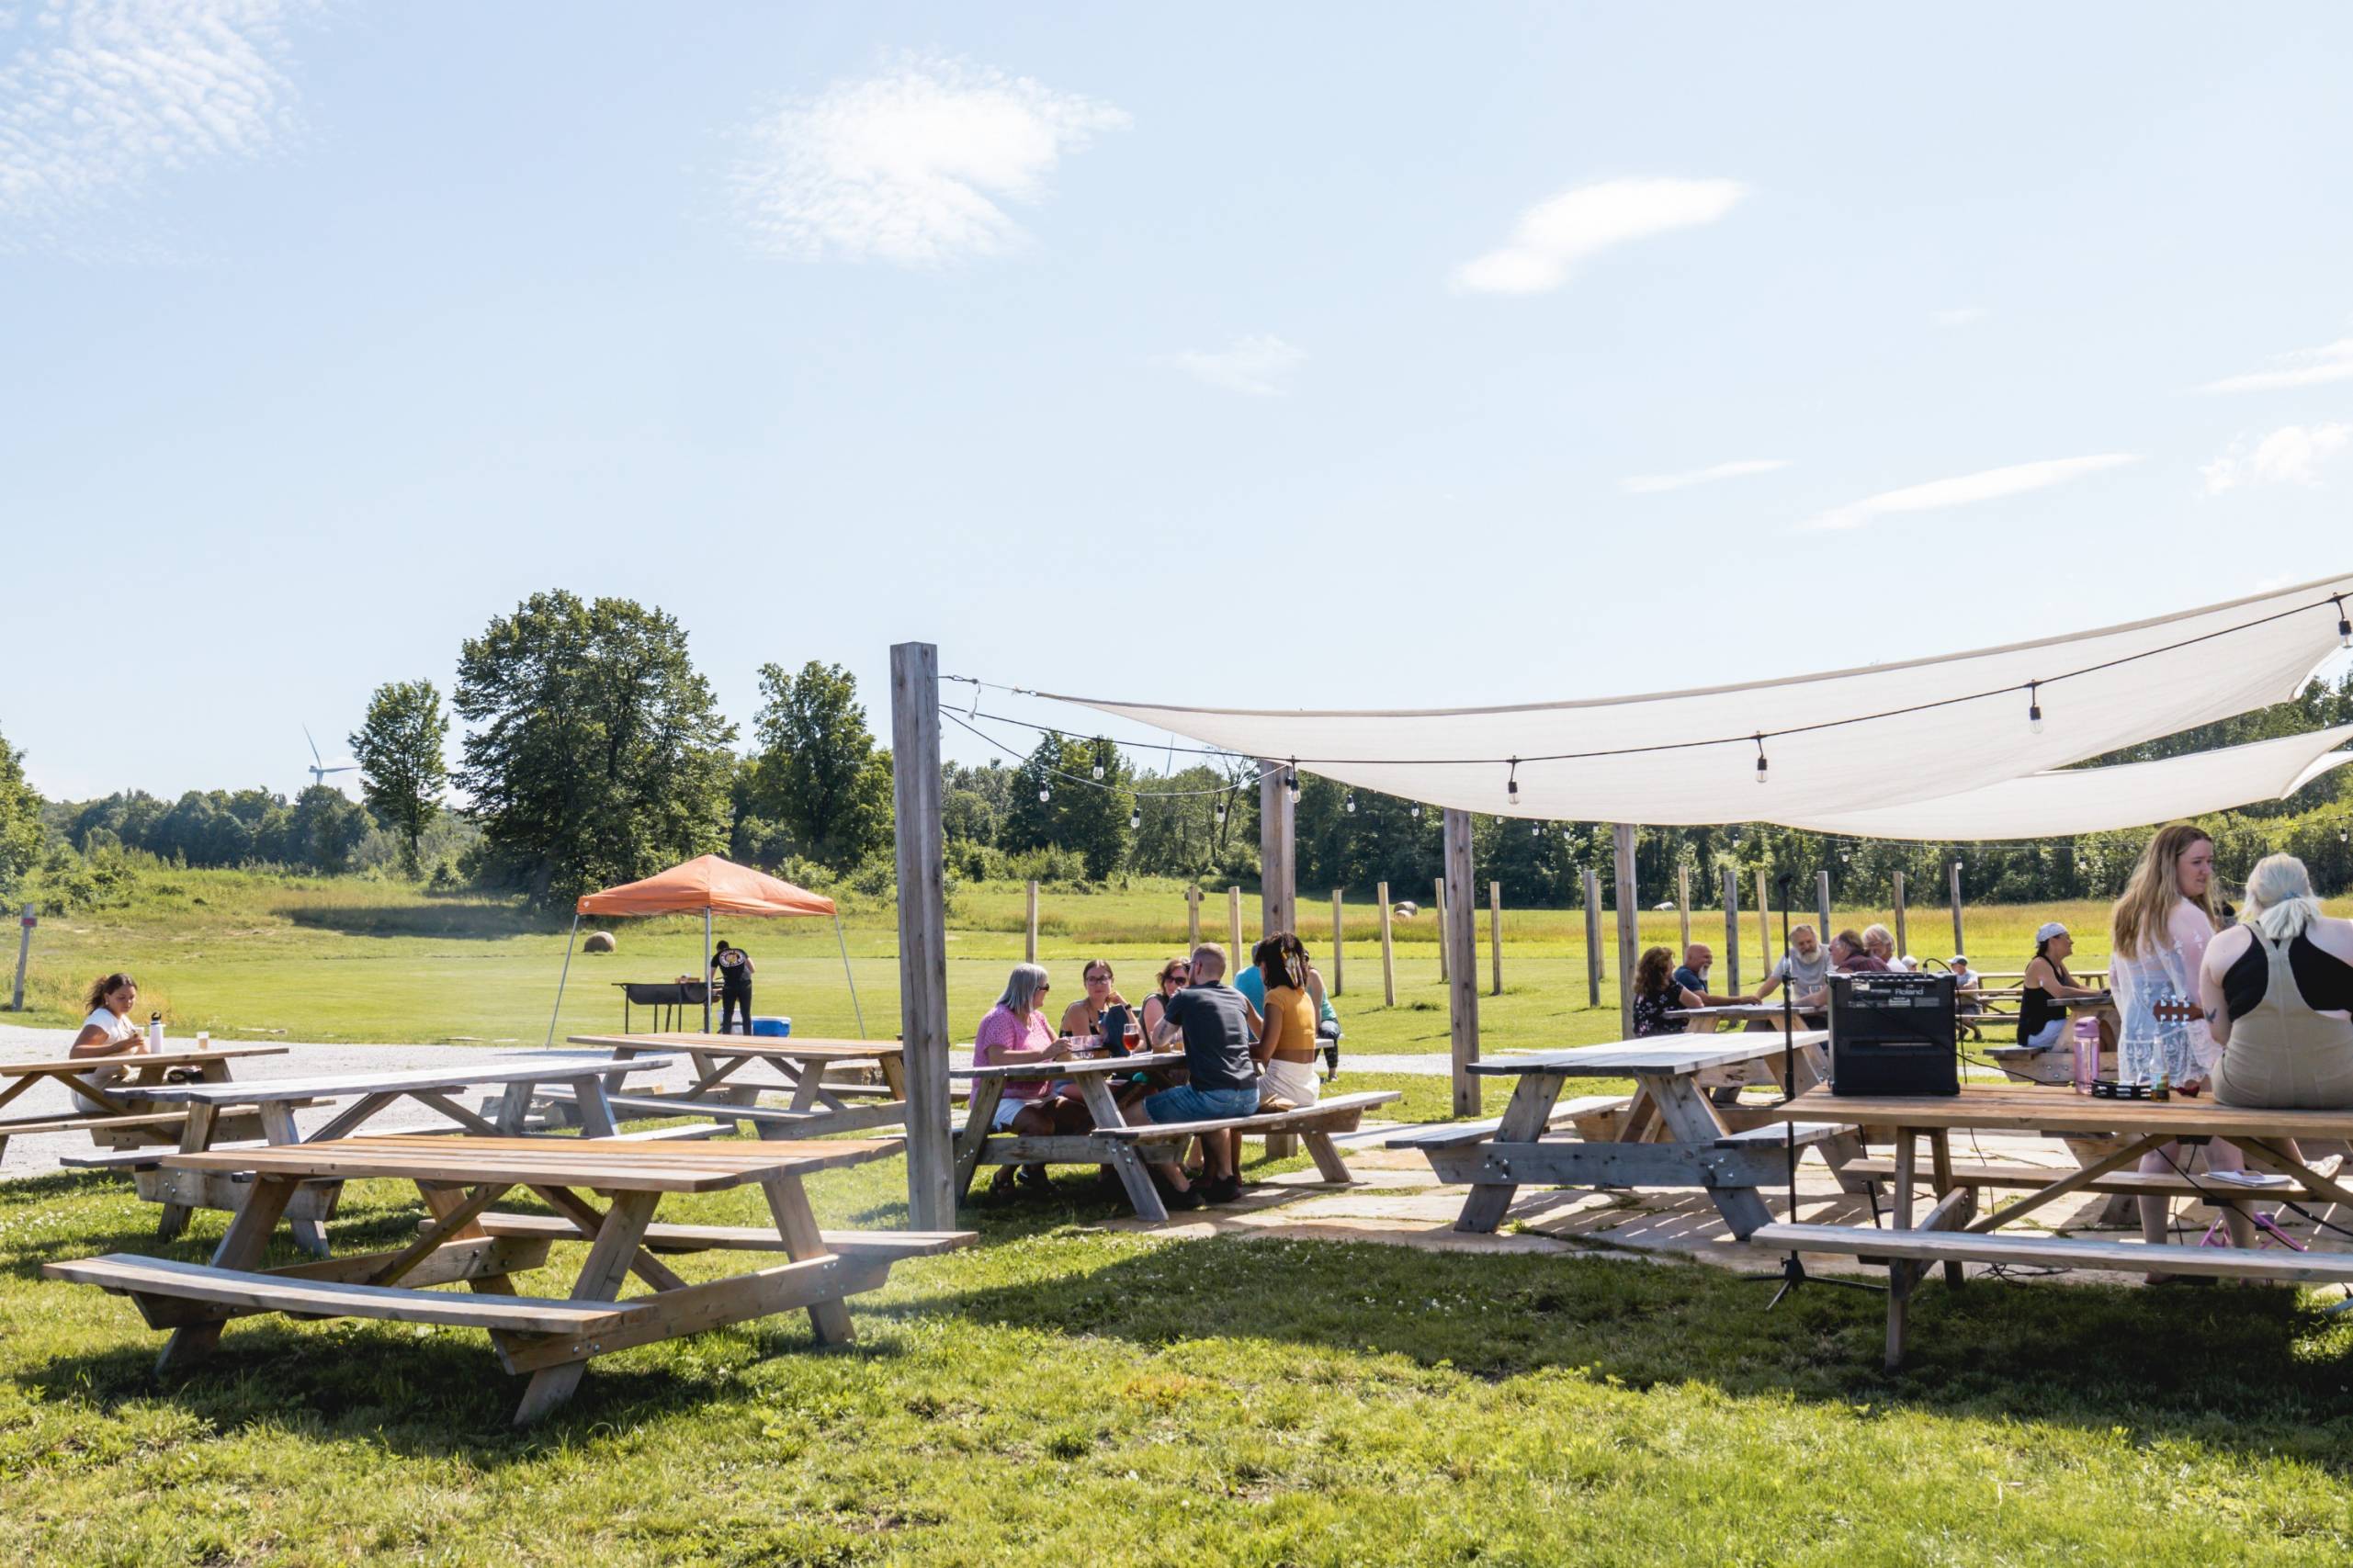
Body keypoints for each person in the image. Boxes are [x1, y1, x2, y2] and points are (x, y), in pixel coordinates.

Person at [2110, 822, 2243, 1273]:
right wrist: (2225, 1038)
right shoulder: (2184, 915)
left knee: (2158, 1152)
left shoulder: (2129, 912)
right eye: (2197, 863)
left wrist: (2149, 1021)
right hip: (2189, 1050)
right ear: (2172, 864)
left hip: (2144, 1050)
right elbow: (2204, 992)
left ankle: (2155, 1257)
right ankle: (2245, 1258)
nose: (2207, 872)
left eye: (2210, 862)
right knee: (2224, 1150)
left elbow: (2119, 987)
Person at [2200, 853, 2353, 1109]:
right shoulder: (2346, 934)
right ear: (2308, 889)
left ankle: (2276, 1152)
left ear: (2254, 896)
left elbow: (2219, 1033)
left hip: (2246, 1087)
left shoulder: (2222, 945)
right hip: (2341, 1085)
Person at [1148, 943, 1261, 1207]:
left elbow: (1158, 1039)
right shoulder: (1237, 996)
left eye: (1188, 969)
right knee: (1214, 1114)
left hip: (1214, 1095)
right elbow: (1262, 1030)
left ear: (1196, 967)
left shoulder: (1185, 997)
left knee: (1125, 1120)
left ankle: (1181, 1187)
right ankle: (1225, 1178)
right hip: (1249, 1095)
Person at [972, 963, 1079, 1197]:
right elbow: (998, 1058)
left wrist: (1071, 1050)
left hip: (1039, 1095)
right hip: (999, 1097)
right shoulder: (1000, 1018)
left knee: (1080, 1116)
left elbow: (1058, 1050)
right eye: (1045, 987)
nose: (1047, 992)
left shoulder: (1037, 1018)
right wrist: (1044, 1054)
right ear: (1029, 989)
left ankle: (1033, 1169)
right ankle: (1004, 1175)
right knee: (1041, 1126)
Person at [1252, 938, 1323, 1114]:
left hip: (1281, 1090)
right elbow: (1277, 1036)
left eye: (1260, 968)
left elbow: (1264, 1051)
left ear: (1268, 968)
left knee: (1220, 1097)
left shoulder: (1275, 996)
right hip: (1308, 1090)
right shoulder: (1302, 996)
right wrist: (1248, 1011)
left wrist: (1228, 1050)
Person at [69, 972, 149, 1113]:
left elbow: (144, 1054)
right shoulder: (102, 1019)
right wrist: (114, 1048)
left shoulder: (122, 1018)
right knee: (160, 1089)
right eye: (121, 998)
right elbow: (76, 1054)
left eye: (132, 997)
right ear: (107, 997)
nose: (128, 1002)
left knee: (170, 1080)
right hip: (96, 1093)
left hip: (110, 1087)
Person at [2018, 921, 2102, 1049]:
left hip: (2052, 1026)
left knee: (2100, 1026)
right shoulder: (2039, 964)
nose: (2071, 942)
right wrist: (2097, 994)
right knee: (2094, 1027)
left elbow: (2077, 987)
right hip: (2037, 1032)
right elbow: (2060, 992)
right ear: (2053, 941)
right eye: (2067, 937)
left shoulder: (2058, 965)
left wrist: (2103, 992)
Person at [1754, 924, 1833, 1024]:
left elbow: (1832, 983)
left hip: (1826, 1010)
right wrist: (1757, 997)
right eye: (1801, 944)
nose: (1807, 946)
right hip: (1801, 1009)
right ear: (1794, 946)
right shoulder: (1790, 955)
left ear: (1816, 939)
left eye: (1809, 941)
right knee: (1763, 1024)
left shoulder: (1829, 953)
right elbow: (1774, 980)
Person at [1631, 946, 1695, 1037]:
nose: (1674, 966)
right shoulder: (1672, 988)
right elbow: (1697, 1003)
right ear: (1663, 969)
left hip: (1644, 1038)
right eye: (1671, 964)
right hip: (1670, 1039)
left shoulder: (1642, 989)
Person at [1060, 959, 1129, 1043]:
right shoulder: (1078, 1010)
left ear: (1112, 981)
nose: (1098, 984)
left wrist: (1126, 1006)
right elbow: (1089, 1051)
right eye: (1092, 979)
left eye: (1103, 978)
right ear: (1085, 984)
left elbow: (1141, 1042)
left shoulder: (1111, 1012)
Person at [708, 940, 754, 1035]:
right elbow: (753, 969)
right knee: (746, 1013)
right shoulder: (740, 951)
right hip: (745, 984)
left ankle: (726, 1036)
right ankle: (748, 1037)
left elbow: (710, 977)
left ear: (718, 949)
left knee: (728, 1013)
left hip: (730, 985)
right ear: (729, 947)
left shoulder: (717, 956)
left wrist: (710, 986)